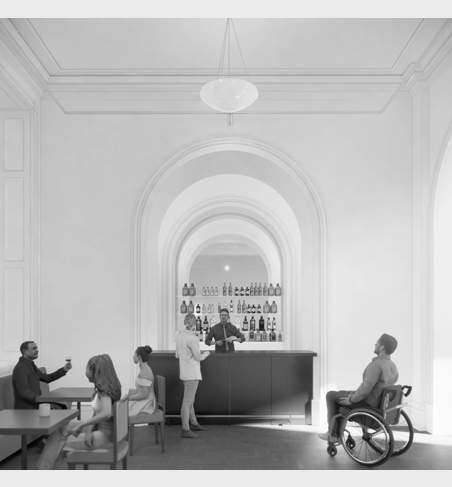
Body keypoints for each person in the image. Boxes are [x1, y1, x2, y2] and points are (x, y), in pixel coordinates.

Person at [36, 354, 122, 469]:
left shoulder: (104, 391)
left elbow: (106, 413)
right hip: (104, 431)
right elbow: (99, 414)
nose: (85, 372)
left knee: (57, 444)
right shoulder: (112, 386)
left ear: (96, 371)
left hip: (102, 437)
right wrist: (88, 428)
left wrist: (83, 424)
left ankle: (42, 471)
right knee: (62, 428)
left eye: (87, 369)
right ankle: (45, 468)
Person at [319, 334, 399, 443]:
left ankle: (333, 434)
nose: (375, 344)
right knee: (340, 393)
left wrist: (351, 400)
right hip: (379, 404)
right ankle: (336, 432)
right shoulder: (393, 366)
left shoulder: (376, 365)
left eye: (377, 342)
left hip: (368, 404)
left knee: (331, 395)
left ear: (382, 347)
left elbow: (365, 389)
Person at [175, 314, 210, 438]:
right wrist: (206, 353)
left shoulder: (178, 335)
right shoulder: (193, 338)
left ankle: (194, 423)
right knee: (187, 401)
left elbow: (177, 355)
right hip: (192, 373)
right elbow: (198, 357)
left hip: (184, 372)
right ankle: (185, 429)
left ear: (185, 322)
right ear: (195, 324)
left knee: (190, 400)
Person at [12, 341, 72, 409]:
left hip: (36, 403)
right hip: (28, 407)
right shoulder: (20, 368)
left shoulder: (30, 365)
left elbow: (47, 378)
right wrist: (41, 400)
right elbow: (23, 392)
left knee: (63, 405)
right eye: (34, 348)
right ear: (25, 351)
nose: (37, 351)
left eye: (36, 348)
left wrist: (64, 369)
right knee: (61, 407)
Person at [123, 345, 156, 416]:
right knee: (121, 406)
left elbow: (144, 394)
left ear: (139, 357)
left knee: (121, 410)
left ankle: (124, 426)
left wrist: (129, 397)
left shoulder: (144, 372)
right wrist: (130, 395)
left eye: (134, 354)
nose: (132, 356)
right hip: (145, 400)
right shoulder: (144, 369)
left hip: (147, 403)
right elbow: (142, 390)